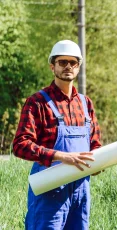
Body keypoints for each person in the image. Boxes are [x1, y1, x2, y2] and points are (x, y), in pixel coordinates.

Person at [12, 40, 102, 229]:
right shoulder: (37, 102)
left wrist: (101, 162)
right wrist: (60, 156)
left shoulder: (86, 104)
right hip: (50, 189)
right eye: (62, 62)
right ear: (52, 66)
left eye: (73, 62)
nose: (68, 66)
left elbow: (95, 144)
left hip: (80, 190)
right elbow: (20, 145)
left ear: (78, 67)